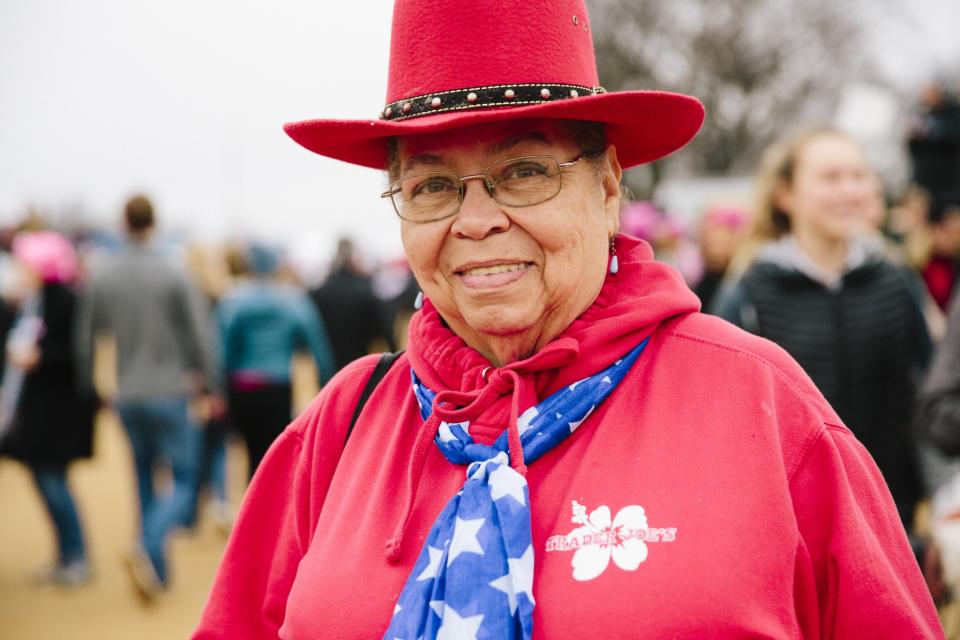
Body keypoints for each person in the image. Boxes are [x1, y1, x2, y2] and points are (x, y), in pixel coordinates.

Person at [195, 1, 942, 638]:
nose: (476, 220)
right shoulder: (342, 426)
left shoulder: (762, 404)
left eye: (524, 172)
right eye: (431, 186)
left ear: (608, 184)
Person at [717, 129, 932, 533]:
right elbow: (726, 417)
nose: (850, 190)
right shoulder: (749, 292)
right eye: (831, 178)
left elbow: (927, 393)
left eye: (859, 175)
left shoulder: (897, 279)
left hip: (891, 516)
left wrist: (940, 500)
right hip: (791, 523)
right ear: (786, 195)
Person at [76, 195, 219, 601]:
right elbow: (199, 334)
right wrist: (209, 385)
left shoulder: (104, 275)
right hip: (171, 390)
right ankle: (150, 545)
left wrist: (92, 388)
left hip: (127, 393)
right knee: (187, 479)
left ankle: (155, 572)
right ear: (154, 222)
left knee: (143, 481)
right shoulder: (173, 273)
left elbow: (86, 338)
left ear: (124, 222)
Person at [0, 231, 96, 586]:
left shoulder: (66, 301)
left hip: (57, 411)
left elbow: (76, 354)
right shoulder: (30, 302)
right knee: (45, 481)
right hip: (34, 408)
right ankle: (65, 557)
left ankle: (77, 557)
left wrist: (39, 358)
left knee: (53, 482)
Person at [218, 243, 335, 479]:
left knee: (250, 453)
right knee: (275, 455)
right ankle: (269, 509)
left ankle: (253, 504)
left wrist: (220, 386)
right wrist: (326, 382)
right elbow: (316, 343)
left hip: (242, 386)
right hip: (277, 386)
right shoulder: (292, 300)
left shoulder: (234, 300)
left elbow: (224, 347)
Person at [311, 237, 396, 372]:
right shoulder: (364, 291)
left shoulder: (318, 293)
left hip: (328, 367)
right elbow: (384, 329)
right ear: (353, 256)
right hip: (359, 366)